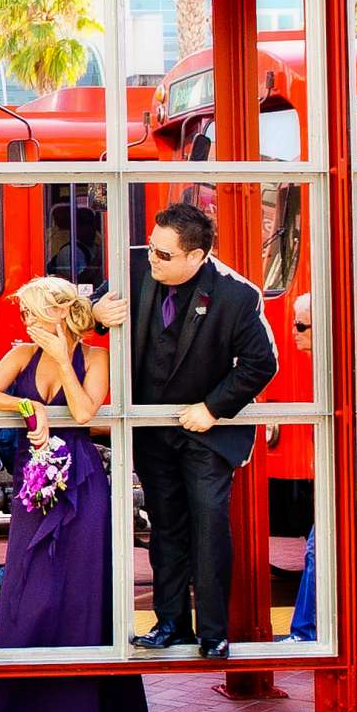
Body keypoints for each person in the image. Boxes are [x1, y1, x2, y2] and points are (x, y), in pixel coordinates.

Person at [92, 199, 278, 659]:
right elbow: (92, 303)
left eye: (164, 254)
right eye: (152, 248)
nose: (152, 258)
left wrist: (212, 409)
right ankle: (170, 623)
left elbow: (261, 363)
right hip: (152, 429)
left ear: (197, 256)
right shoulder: (134, 263)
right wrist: (97, 312)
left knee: (210, 525)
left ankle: (213, 632)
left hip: (207, 432)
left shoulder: (237, 295)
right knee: (166, 527)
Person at [0, 278, 150, 712]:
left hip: (83, 484)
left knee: (78, 594)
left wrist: (62, 359)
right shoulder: (21, 354)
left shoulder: (95, 358)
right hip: (34, 483)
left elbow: (86, 410)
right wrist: (30, 408)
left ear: (59, 314)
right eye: (25, 315)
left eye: (34, 314)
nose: (27, 323)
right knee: (29, 591)